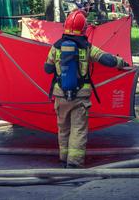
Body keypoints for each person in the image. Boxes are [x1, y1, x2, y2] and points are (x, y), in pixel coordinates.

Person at [44, 10, 129, 168]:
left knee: (63, 129)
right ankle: (74, 163)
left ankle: (63, 158)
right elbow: (108, 60)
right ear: (83, 29)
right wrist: (122, 62)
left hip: (60, 96)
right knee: (78, 129)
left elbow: (47, 69)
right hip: (80, 97)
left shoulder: (55, 47)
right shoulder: (87, 48)